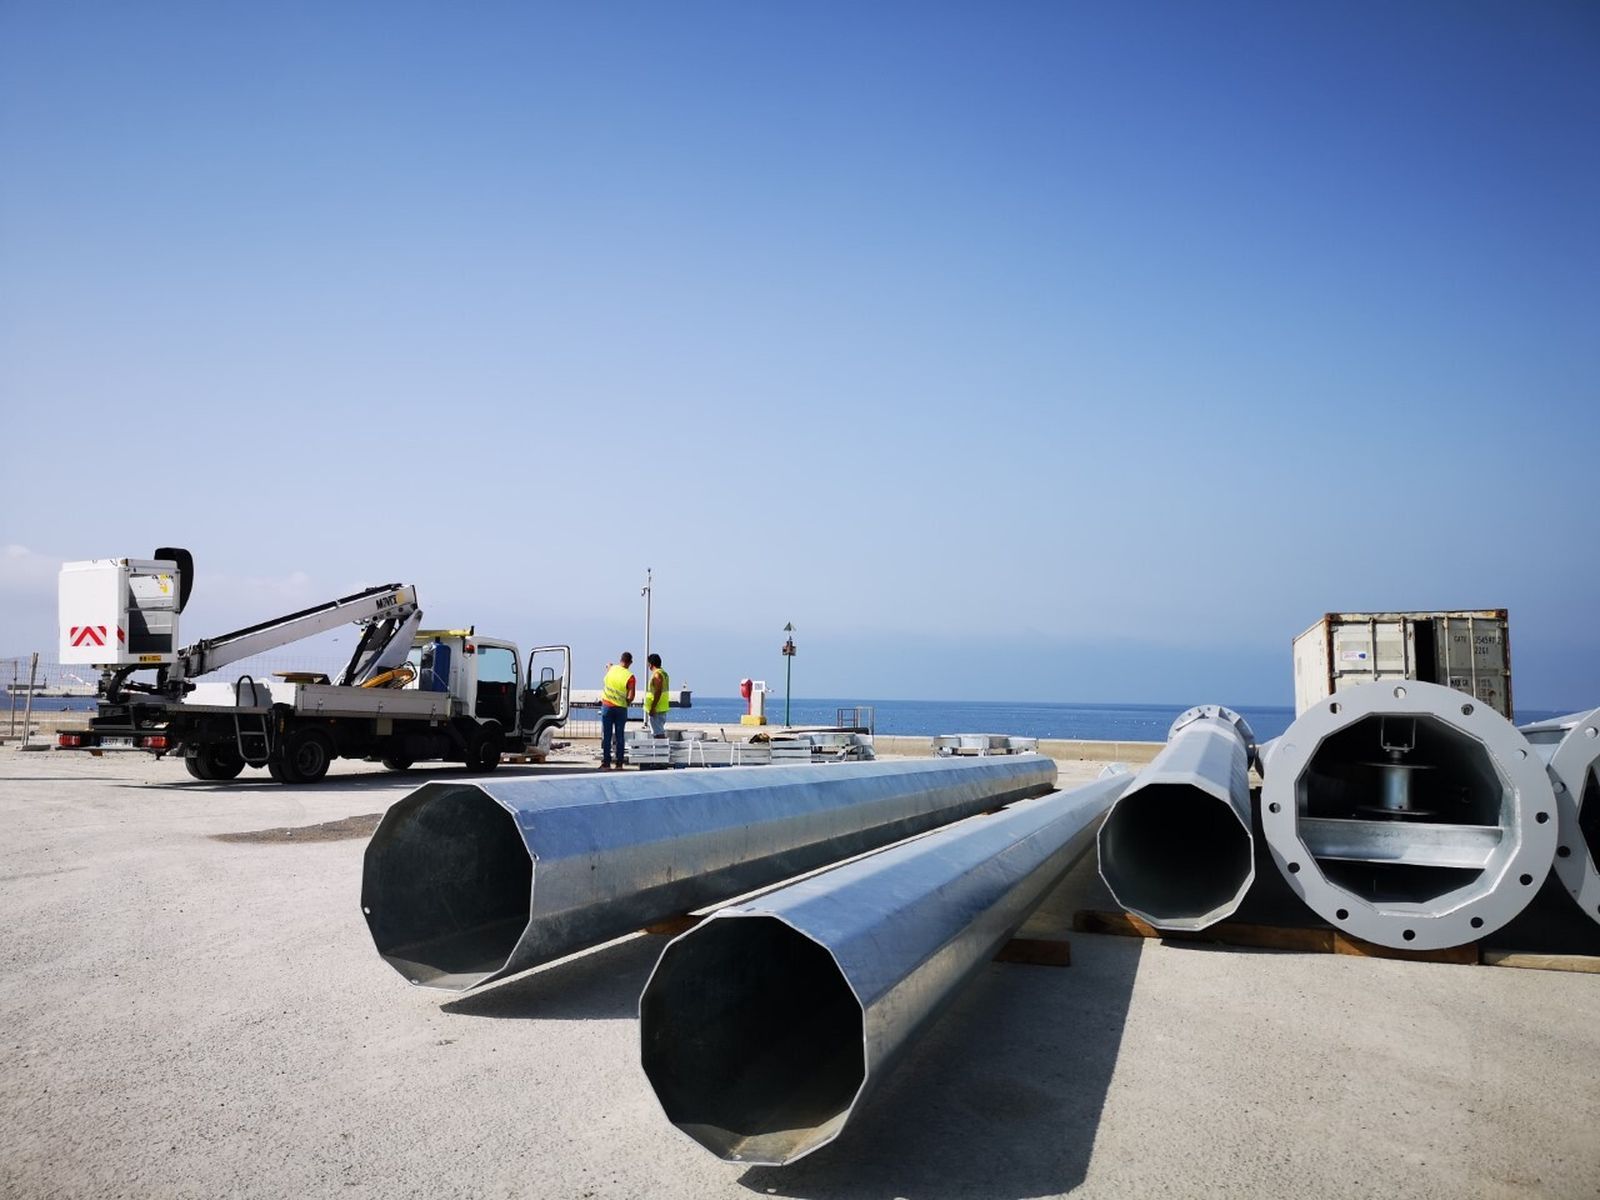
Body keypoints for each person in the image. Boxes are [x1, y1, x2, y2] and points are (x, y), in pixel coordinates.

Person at [599, 652, 636, 770]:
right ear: (630, 662)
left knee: (607, 736)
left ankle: (606, 763)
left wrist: (609, 666)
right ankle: (619, 763)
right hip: (621, 708)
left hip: (607, 707)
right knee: (620, 736)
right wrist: (626, 703)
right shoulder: (630, 677)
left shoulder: (612, 669)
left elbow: (608, 665)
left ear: (620, 660)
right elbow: (630, 696)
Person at [645, 653, 670, 737]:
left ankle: (661, 749)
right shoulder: (664, 673)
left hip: (657, 708)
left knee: (658, 733)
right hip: (661, 707)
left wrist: (652, 707)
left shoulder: (657, 675)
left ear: (650, 664)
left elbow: (658, 691)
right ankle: (660, 748)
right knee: (658, 731)